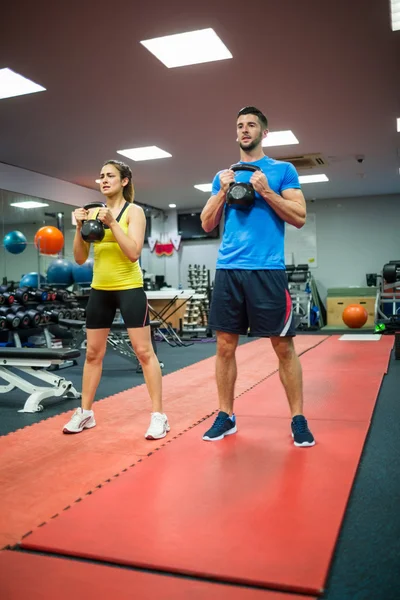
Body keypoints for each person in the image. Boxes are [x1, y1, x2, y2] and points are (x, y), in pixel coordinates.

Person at [200, 106, 315, 447]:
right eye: (239, 125)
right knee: (224, 346)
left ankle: (298, 418)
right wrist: (222, 190)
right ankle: (226, 415)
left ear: (264, 133)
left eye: (251, 125)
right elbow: (207, 224)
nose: (244, 129)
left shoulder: (283, 170)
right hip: (229, 270)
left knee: (283, 346)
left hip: (267, 270)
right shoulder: (224, 175)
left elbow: (300, 217)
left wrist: (265, 191)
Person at [63, 160, 169, 440]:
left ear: (124, 181)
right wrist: (78, 226)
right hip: (100, 290)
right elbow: (79, 258)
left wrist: (111, 223)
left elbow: (133, 252)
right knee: (93, 354)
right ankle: (85, 412)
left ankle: (159, 416)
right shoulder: (92, 213)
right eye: (101, 176)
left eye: (110, 175)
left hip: (129, 288)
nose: (104, 180)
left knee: (145, 353)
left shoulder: (134, 212)